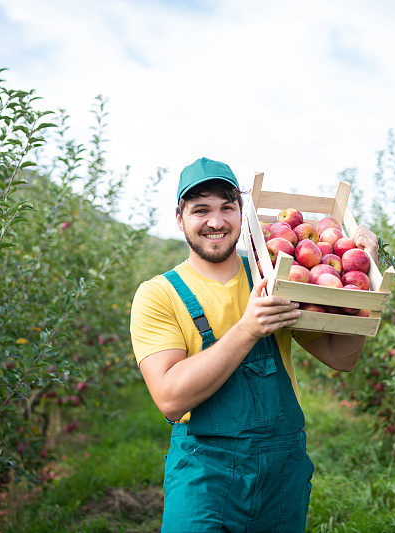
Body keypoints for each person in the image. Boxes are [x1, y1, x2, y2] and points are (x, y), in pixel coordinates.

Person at [129, 157, 378, 532]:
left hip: (281, 470)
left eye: (227, 208)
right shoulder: (158, 295)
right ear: (179, 219)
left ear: (242, 214)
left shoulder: (278, 274)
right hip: (204, 473)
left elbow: (341, 357)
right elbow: (170, 398)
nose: (216, 221)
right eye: (201, 210)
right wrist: (248, 329)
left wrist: (361, 285)